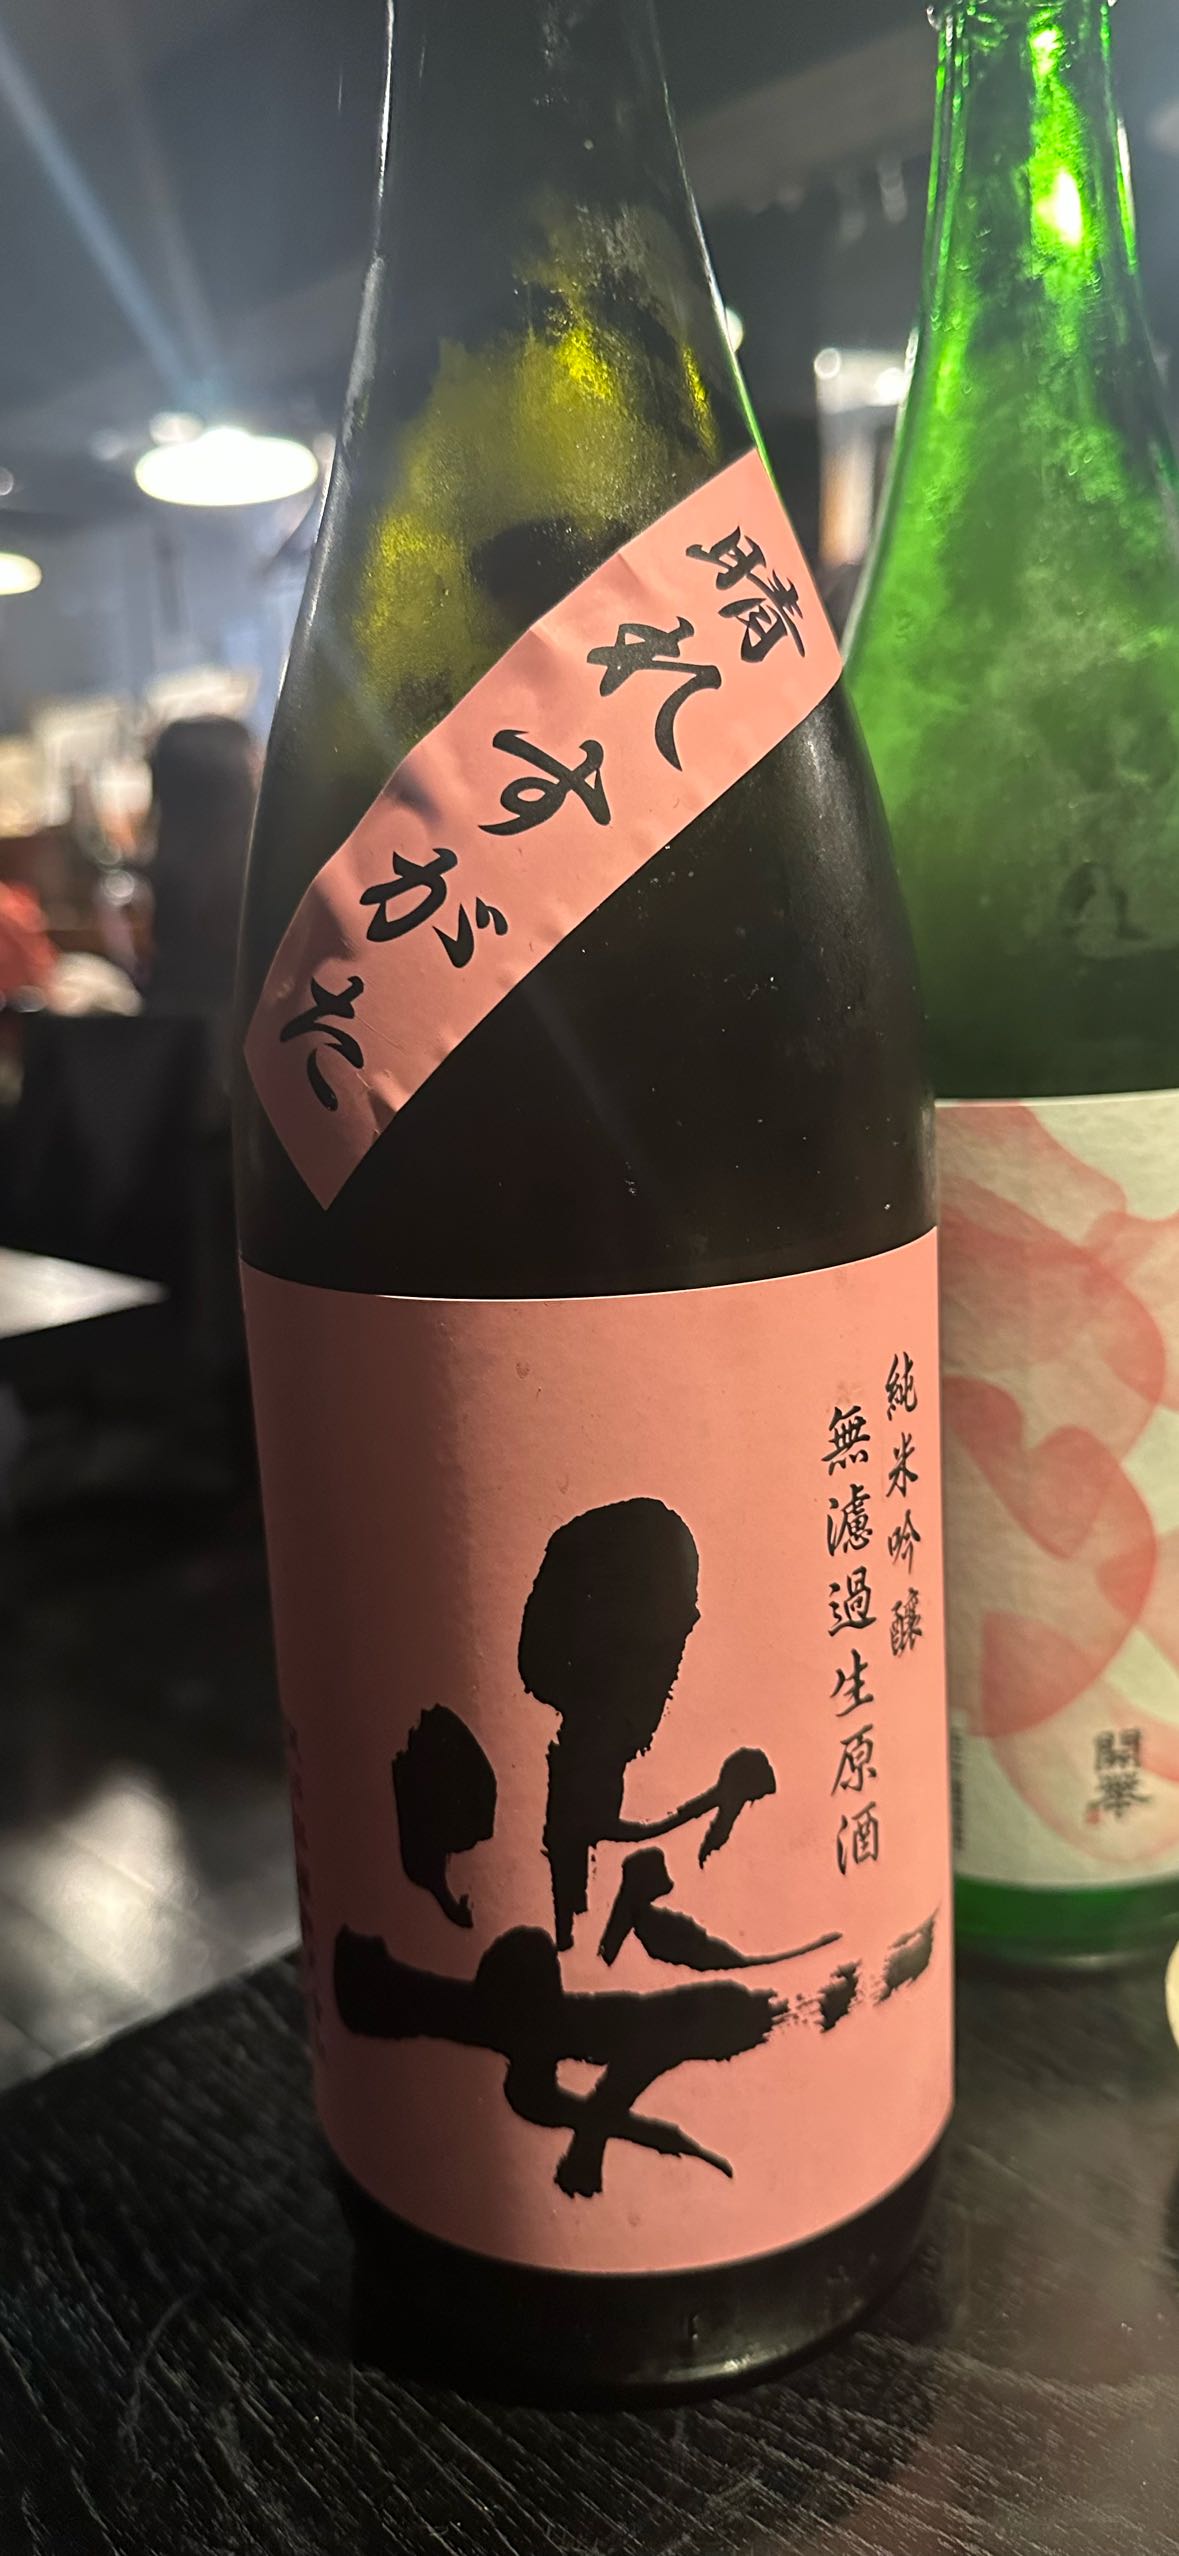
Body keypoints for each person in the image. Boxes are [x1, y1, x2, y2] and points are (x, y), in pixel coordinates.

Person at [147, 716, 259, 1025]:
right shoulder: (254, 875)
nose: (260, 768)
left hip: (177, 1034)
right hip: (242, 1034)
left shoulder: (167, 869)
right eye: (251, 760)